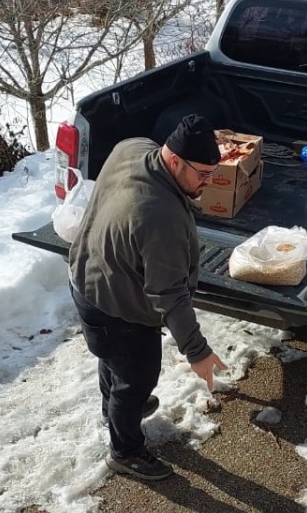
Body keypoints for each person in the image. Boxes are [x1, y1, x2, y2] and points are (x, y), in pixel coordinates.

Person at [68, 114, 229, 482]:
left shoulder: (134, 147)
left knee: (112, 358)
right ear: (174, 161)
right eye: (203, 174)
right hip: (116, 304)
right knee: (135, 377)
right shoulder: (160, 216)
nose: (208, 183)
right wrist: (197, 351)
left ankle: (115, 410)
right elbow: (168, 294)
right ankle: (124, 451)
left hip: (87, 276)